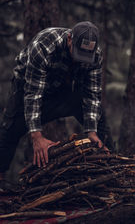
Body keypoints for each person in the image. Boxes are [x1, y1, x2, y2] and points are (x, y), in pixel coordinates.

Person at [0, 21, 113, 184]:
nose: (81, 60)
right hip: (28, 86)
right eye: (78, 53)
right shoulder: (43, 46)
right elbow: (33, 94)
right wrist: (36, 136)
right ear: (69, 39)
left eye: (85, 56)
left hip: (62, 86)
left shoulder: (95, 55)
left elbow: (92, 94)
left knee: (98, 118)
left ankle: (110, 164)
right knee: (10, 128)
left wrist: (91, 131)